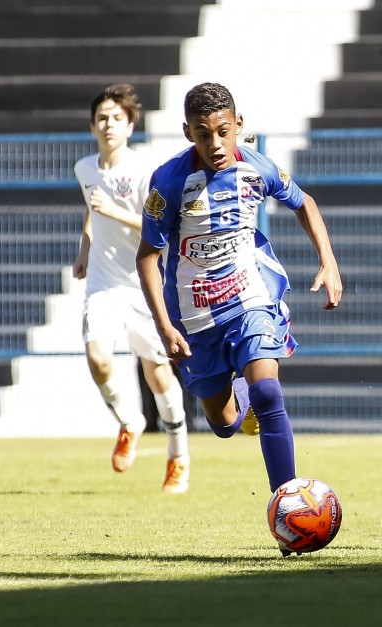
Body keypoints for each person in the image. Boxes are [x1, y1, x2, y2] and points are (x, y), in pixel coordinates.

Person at [135, 83, 342, 513]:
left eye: (224, 131)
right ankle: (241, 397)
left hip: (250, 298)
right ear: (189, 132)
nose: (216, 143)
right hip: (194, 315)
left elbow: (305, 204)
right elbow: (148, 257)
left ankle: (290, 509)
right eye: (204, 133)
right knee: (224, 423)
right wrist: (164, 325)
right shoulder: (168, 183)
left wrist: (328, 260)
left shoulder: (257, 166)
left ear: (239, 125)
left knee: (270, 394)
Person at [72, 83, 190, 494]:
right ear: (92, 126)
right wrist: (85, 247)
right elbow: (92, 209)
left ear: (130, 125)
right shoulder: (85, 168)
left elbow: (160, 228)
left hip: (141, 284)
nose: (108, 124)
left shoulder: (143, 172)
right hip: (103, 283)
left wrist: (117, 213)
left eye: (116, 118)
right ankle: (129, 420)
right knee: (97, 357)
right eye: (102, 118)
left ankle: (178, 456)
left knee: (158, 375)